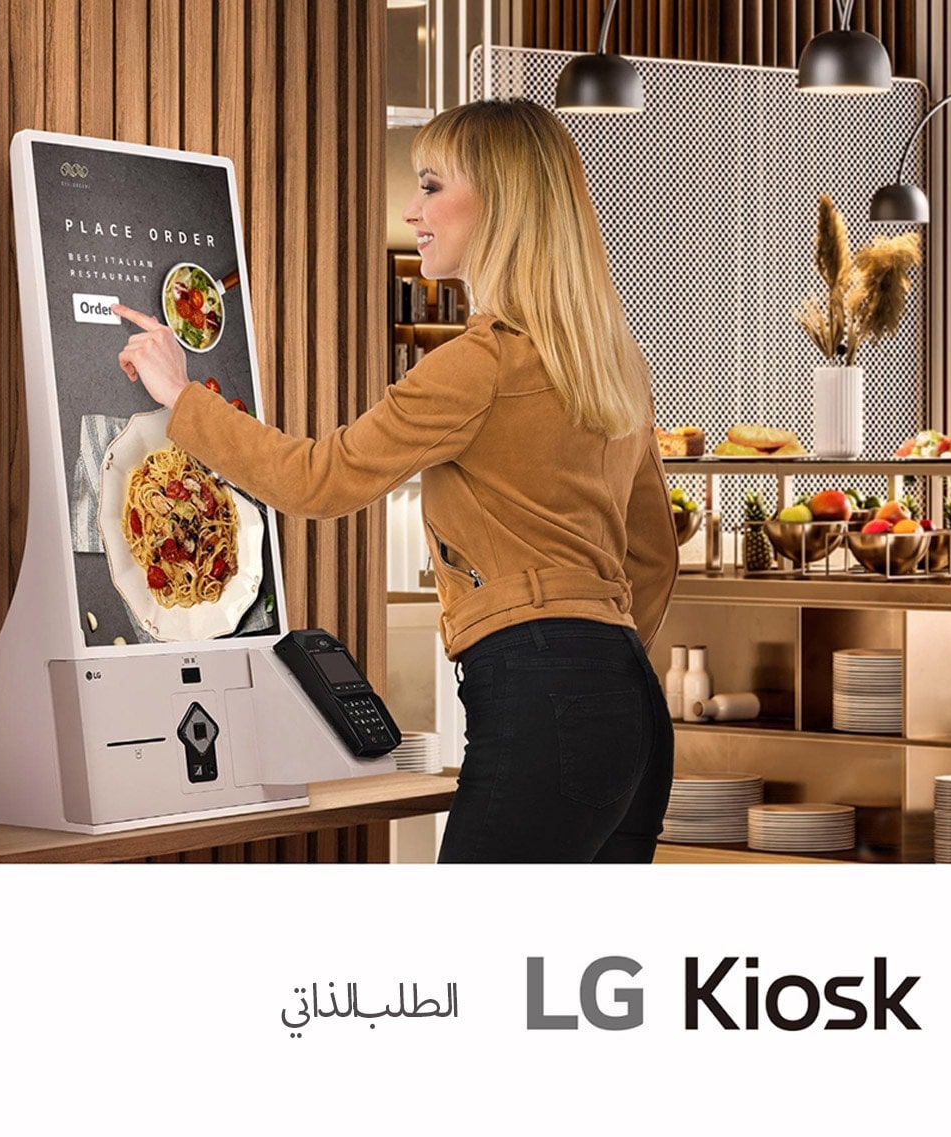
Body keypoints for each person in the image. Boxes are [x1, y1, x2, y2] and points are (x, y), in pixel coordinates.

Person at [111, 99, 679, 861]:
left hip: (544, 693)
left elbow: (320, 478)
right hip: (632, 705)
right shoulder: (614, 365)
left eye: (433, 186)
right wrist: (595, 673)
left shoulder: (479, 365)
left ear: (502, 206)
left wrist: (184, 399)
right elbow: (653, 554)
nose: (412, 210)